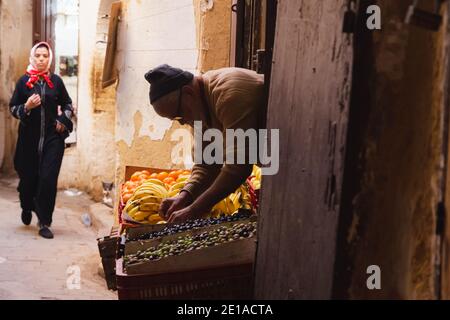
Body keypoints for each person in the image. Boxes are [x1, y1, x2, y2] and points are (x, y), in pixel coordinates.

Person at [145, 64, 264, 223]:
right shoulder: (198, 106)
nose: (182, 123)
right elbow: (207, 164)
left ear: (188, 93)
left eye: (179, 116)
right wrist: (184, 196)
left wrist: (194, 210)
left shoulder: (229, 95)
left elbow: (239, 166)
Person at [9, 42, 74, 239]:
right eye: (37, 55)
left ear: (49, 59)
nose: (41, 59)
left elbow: (68, 104)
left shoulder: (56, 81)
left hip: (52, 139)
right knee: (28, 178)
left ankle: (44, 221)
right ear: (32, 57)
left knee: (48, 178)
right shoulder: (23, 82)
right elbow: (13, 108)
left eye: (45, 56)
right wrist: (27, 106)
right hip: (28, 140)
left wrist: (63, 119)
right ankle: (27, 206)